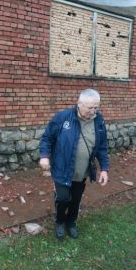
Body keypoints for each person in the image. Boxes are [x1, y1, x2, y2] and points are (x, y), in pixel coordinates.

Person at [39, 88, 109, 240]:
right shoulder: (63, 117)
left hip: (82, 171)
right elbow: (47, 138)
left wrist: (104, 168)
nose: (94, 111)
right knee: (63, 198)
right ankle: (59, 222)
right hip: (62, 168)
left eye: (96, 107)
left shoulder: (99, 121)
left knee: (76, 199)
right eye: (90, 107)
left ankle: (71, 222)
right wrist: (44, 156)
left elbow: (102, 147)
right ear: (79, 104)